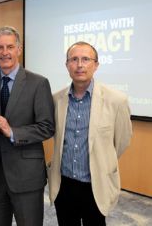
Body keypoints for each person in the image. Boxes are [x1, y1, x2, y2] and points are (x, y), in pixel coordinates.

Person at [48, 41, 133, 226]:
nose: (79, 65)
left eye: (86, 59)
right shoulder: (56, 99)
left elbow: (122, 141)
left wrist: (102, 158)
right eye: (74, 59)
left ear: (96, 65)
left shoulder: (116, 100)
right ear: (67, 65)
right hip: (64, 185)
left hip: (96, 185)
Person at [0, 26, 55, 225]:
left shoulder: (38, 83)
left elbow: (47, 126)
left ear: (19, 50)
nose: (5, 52)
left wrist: (13, 132)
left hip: (26, 174)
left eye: (10, 47)